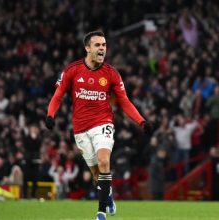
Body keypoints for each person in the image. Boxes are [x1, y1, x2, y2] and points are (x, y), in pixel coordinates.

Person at [45, 31, 152, 220]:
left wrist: (141, 121)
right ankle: (107, 194)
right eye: (97, 45)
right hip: (80, 128)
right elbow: (58, 95)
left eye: (104, 45)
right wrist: (50, 115)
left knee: (104, 161)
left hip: (103, 122)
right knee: (97, 175)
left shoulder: (111, 73)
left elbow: (124, 101)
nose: (102, 48)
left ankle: (100, 213)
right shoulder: (72, 70)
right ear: (88, 48)